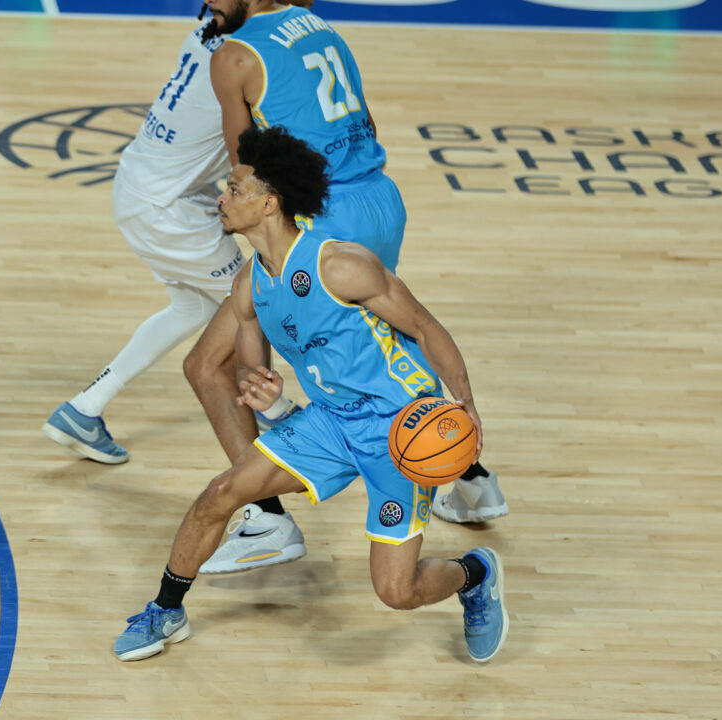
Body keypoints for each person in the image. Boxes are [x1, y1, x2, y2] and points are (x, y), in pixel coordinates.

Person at [113, 125, 507, 664]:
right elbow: (253, 368)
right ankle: (166, 609)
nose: (220, 198)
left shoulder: (339, 264)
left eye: (234, 189)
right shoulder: (250, 283)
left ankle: (474, 573)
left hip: (402, 428)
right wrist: (266, 390)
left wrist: (465, 402)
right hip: (330, 421)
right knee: (220, 493)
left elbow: (423, 326)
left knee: (396, 592)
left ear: (269, 203)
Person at [188, 0, 508, 575]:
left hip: (325, 211)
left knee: (208, 365)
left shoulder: (234, 56)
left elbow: (248, 167)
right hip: (379, 197)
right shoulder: (315, 23)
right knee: (377, 330)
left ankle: (268, 520)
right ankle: (465, 468)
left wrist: (266, 218)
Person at [41, 6, 306, 465]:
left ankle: (83, 411)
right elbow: (246, 152)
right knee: (256, 300)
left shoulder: (207, 35)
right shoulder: (241, 60)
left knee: (194, 307)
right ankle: (272, 411)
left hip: (150, 188)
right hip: (167, 208)